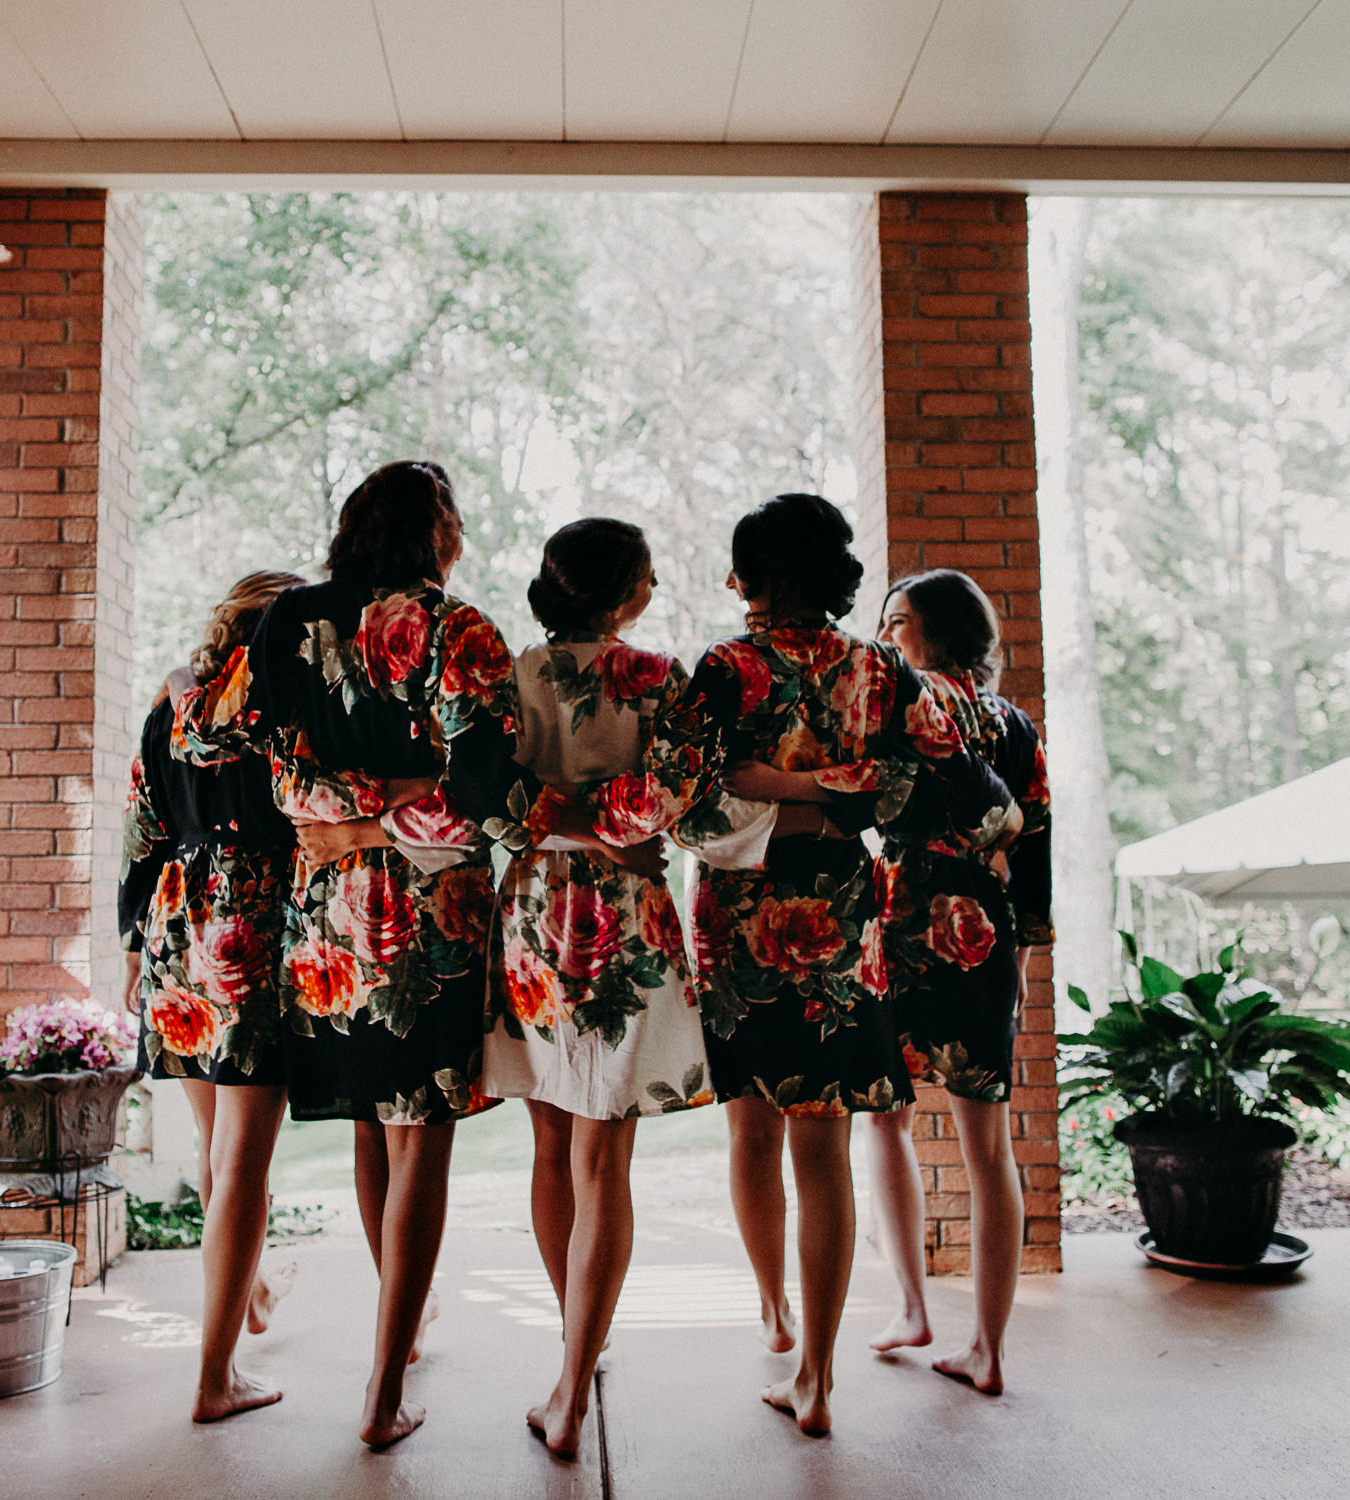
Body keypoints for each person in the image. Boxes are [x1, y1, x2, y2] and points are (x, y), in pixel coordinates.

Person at [589, 495, 1017, 1437]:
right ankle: (817, 1375)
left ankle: (776, 1313)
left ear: (754, 577)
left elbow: (671, 789)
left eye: (739, 569)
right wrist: (836, 794)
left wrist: (573, 816)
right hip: (841, 905)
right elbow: (940, 789)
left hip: (741, 909)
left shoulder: (727, 669)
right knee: (821, 1143)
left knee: (752, 1131)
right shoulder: (880, 669)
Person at [178, 460, 563, 1448]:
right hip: (431, 908)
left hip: (329, 915)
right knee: (416, 1135)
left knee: (369, 1122)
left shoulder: (288, 620)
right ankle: (384, 1394)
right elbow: (490, 788)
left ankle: (391, 1359)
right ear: (437, 532)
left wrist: (347, 819)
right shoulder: (462, 629)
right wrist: (406, 804)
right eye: (456, 519)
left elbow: (260, 757)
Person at [483, 518, 775, 1458]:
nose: (654, 587)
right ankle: (575, 1380)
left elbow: (483, 790)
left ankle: (577, 1348)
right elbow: (680, 792)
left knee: (549, 1143)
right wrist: (614, 824)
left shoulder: (513, 675)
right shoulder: (661, 679)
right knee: (603, 1159)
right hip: (621, 909)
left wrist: (553, 816)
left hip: (532, 909)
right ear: (626, 592)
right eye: (648, 574)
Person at [118, 568, 307, 1425]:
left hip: (176, 921)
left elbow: (141, 828)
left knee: (213, 1143)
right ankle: (214, 1376)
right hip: (254, 925)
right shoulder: (279, 712)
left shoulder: (173, 710)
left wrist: (133, 943)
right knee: (243, 1160)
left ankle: (252, 1289)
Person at [864, 569, 1050, 1395]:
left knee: (886, 1122)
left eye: (896, 622)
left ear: (934, 631)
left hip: (905, 916)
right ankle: (991, 1348)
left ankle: (913, 1306)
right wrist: (1027, 949)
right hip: (984, 929)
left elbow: (876, 805)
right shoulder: (1015, 723)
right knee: (988, 1146)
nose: (885, 636)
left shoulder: (905, 703)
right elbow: (1036, 844)